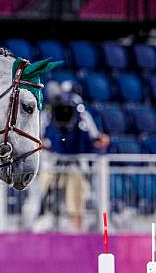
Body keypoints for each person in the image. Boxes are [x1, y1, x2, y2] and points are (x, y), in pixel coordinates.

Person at [36, 82, 109, 231]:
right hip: (51, 163)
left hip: (75, 165)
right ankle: (41, 222)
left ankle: (77, 227)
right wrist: (45, 143)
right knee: (41, 192)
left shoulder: (83, 115)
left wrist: (100, 140)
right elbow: (38, 138)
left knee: (76, 194)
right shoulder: (47, 115)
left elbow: (95, 139)